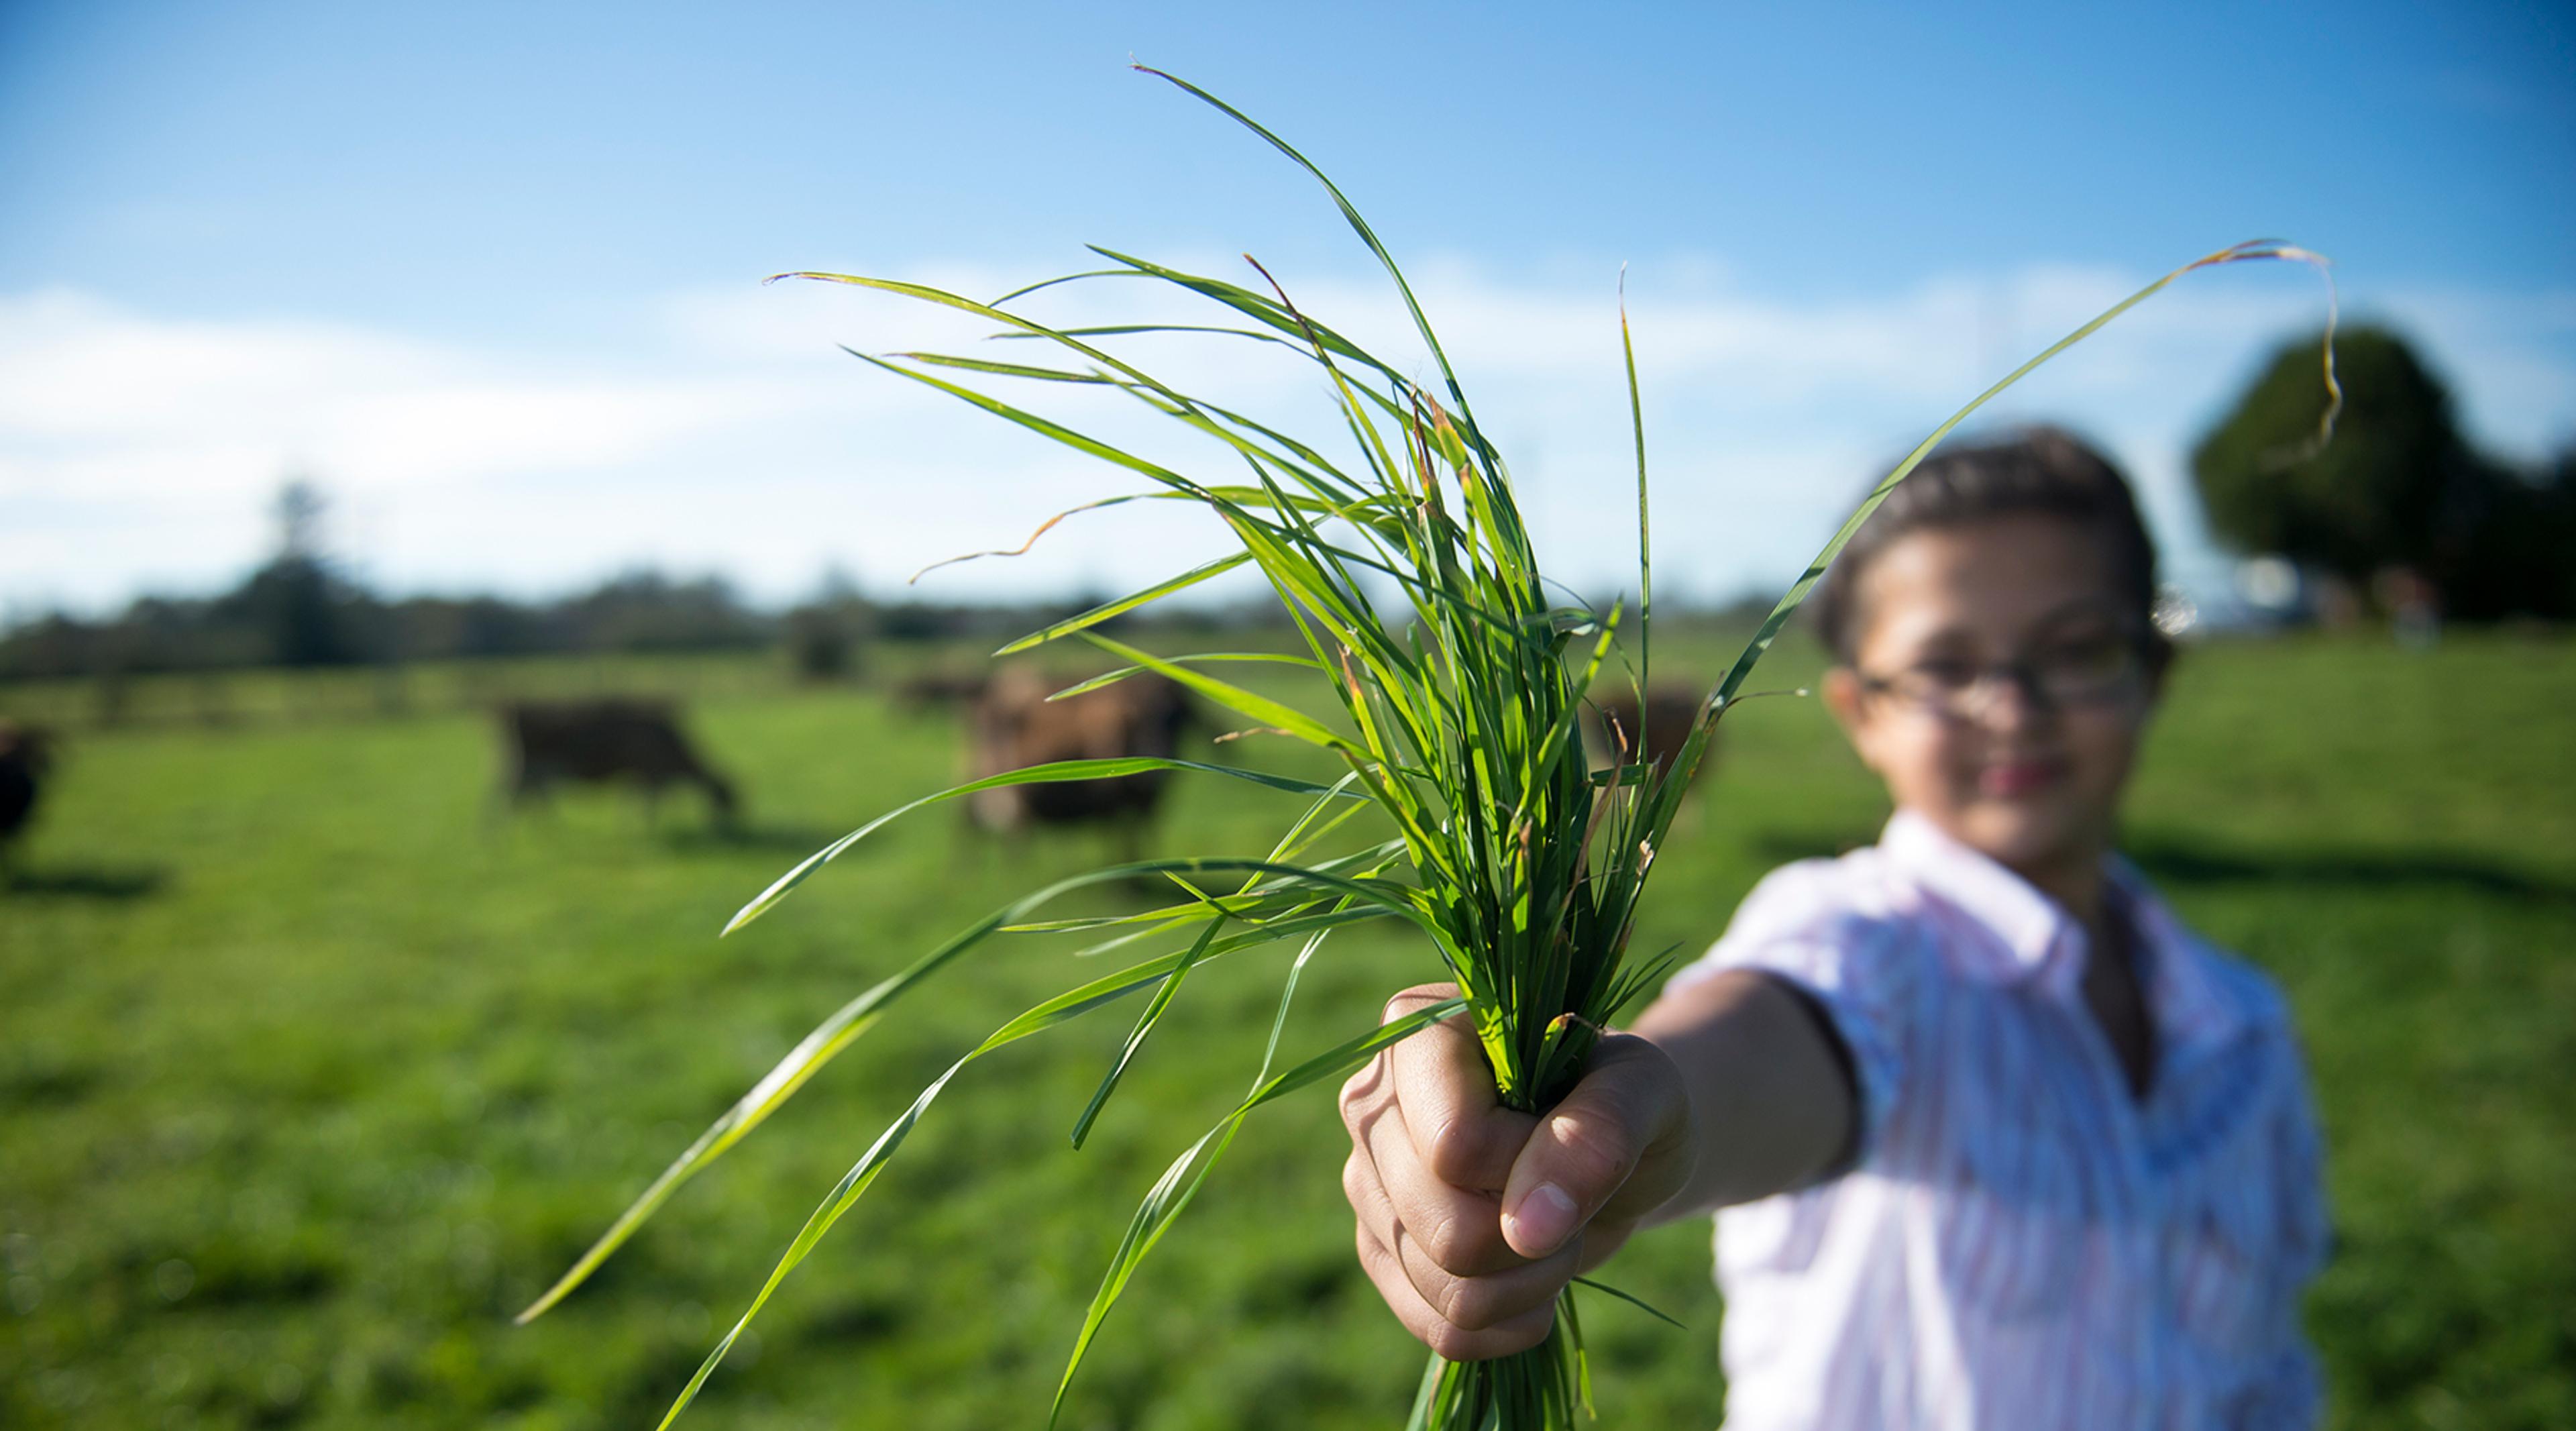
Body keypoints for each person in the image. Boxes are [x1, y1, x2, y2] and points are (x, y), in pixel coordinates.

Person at [1338, 428, 2330, 1429]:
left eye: (2077, 650)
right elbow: (1764, 1046)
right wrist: (1640, 1123)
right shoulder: (1865, 943)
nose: (2014, 706)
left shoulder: (2242, 1027)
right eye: (1946, 665)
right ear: (1861, 711)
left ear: (2153, 669)